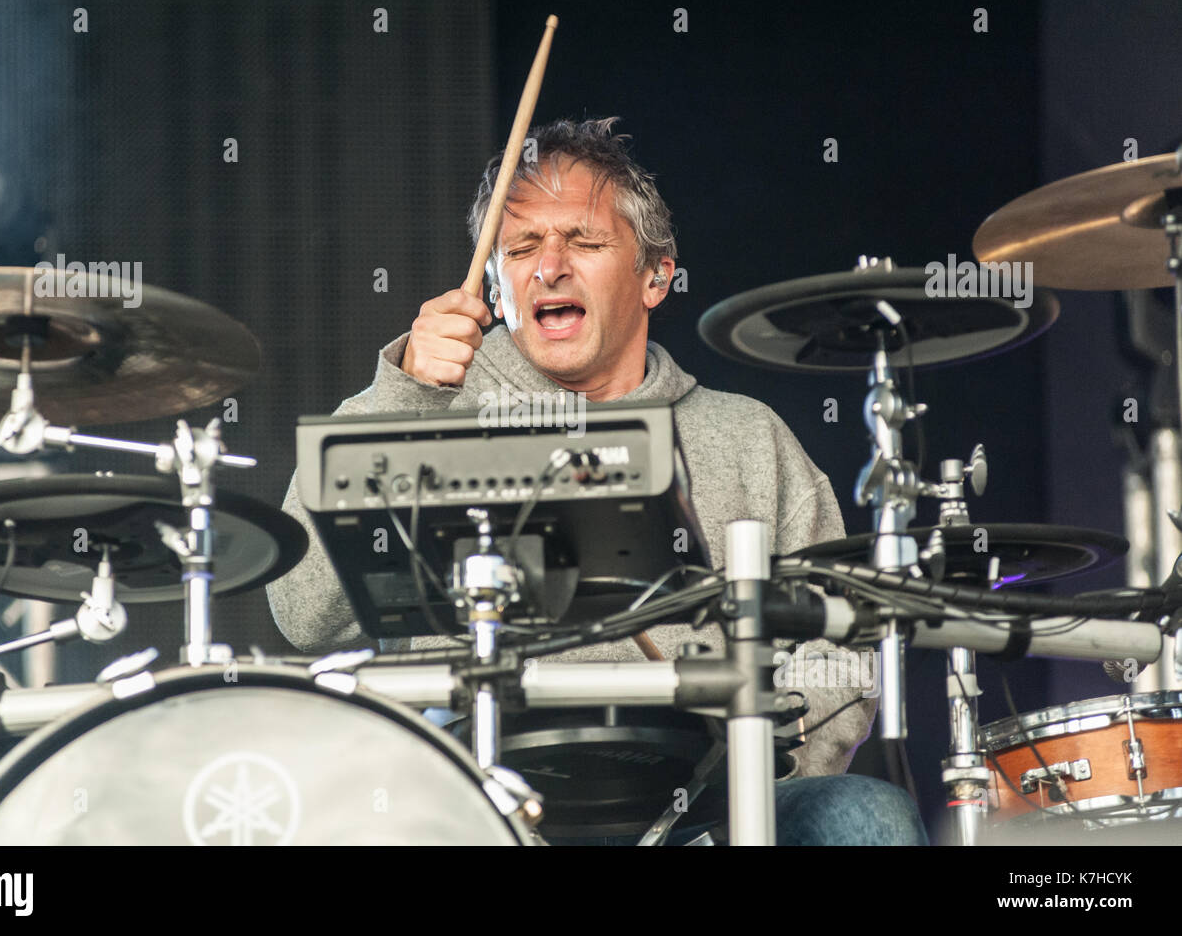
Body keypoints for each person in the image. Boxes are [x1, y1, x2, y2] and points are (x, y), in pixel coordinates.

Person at [268, 118, 926, 845]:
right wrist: (399, 397)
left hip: (702, 810)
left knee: (866, 816)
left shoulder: (748, 436)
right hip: (467, 804)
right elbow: (302, 612)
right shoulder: (420, 409)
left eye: (582, 241)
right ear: (494, 279)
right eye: (520, 247)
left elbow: (843, 641)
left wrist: (760, 757)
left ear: (655, 276)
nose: (548, 266)